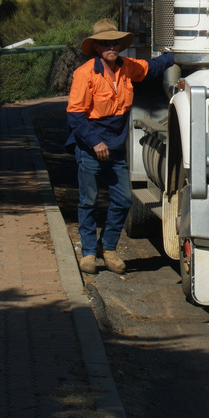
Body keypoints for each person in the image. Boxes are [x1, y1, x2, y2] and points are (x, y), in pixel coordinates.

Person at [66, 19, 174, 275]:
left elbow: (152, 68)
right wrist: (95, 142)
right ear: (96, 47)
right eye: (105, 43)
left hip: (115, 150)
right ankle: (89, 253)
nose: (111, 47)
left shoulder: (127, 68)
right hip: (90, 147)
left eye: (114, 42)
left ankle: (109, 248)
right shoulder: (85, 73)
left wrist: (176, 55)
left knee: (124, 199)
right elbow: (75, 116)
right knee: (88, 201)